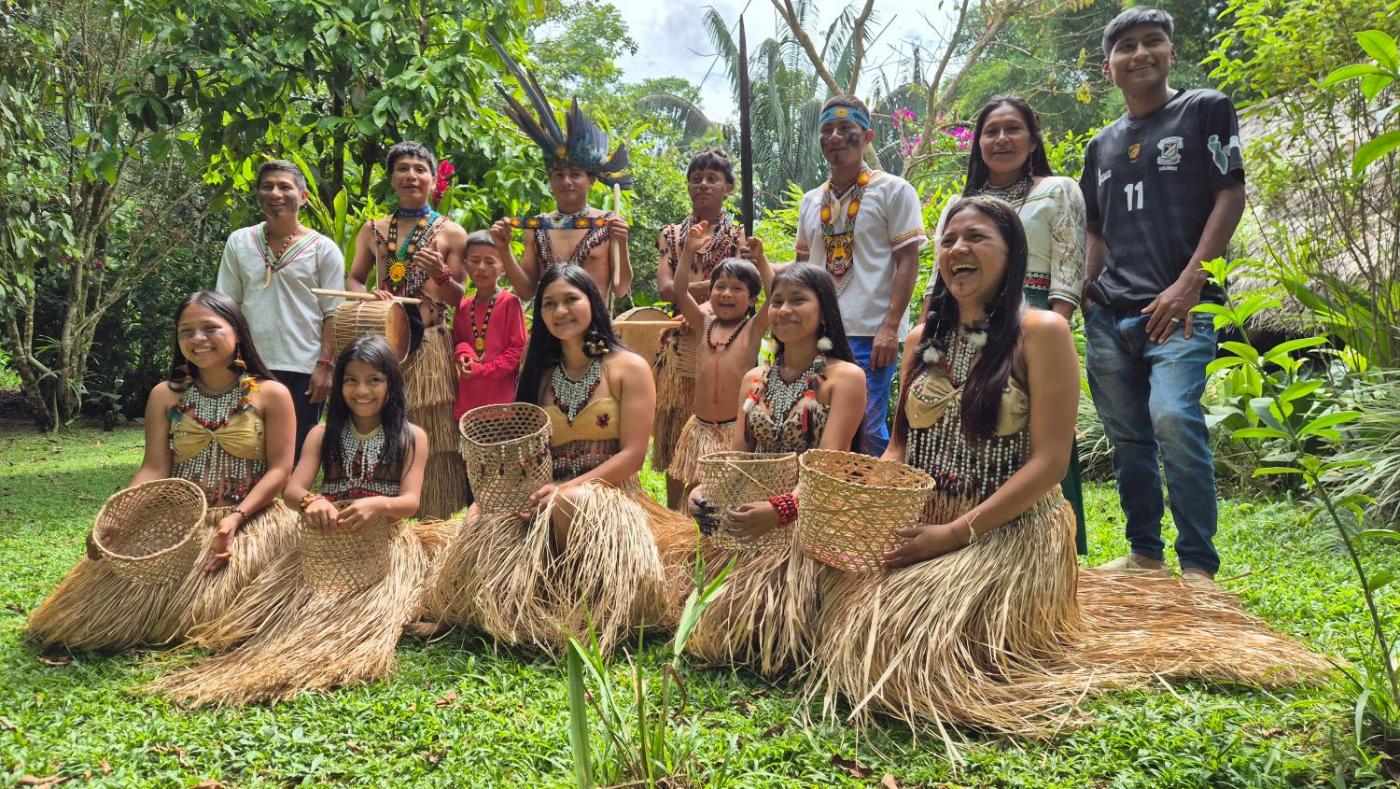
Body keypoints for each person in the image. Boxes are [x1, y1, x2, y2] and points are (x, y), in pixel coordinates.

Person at [806, 197, 1320, 742]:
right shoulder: (921, 341)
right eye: (949, 239)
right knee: (824, 601)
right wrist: (873, 497)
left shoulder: (1041, 332)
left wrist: (954, 534)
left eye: (976, 237)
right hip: (928, 518)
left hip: (1006, 531)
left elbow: (1050, 464)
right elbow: (899, 449)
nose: (958, 249)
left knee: (900, 638)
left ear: (1013, 253)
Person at [146, 336, 454, 707]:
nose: (362, 390)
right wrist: (313, 501)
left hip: (385, 546)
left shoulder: (412, 437)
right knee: (276, 617)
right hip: (322, 546)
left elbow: (410, 502)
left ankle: (365, 628)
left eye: (374, 380)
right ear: (338, 385)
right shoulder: (322, 434)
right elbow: (292, 490)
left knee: (372, 612)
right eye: (351, 380)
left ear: (392, 383)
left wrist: (378, 505)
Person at [432, 266, 694, 656]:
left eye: (571, 299)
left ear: (593, 302)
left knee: (571, 502)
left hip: (608, 495)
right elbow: (527, 454)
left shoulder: (628, 367)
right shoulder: (540, 374)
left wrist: (563, 490)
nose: (560, 311)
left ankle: (584, 605)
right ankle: (509, 606)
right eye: (549, 304)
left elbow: (632, 456)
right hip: (543, 494)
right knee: (477, 518)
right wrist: (505, 498)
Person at [27, 291, 300, 652]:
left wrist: (235, 519)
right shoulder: (166, 395)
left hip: (250, 519)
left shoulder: (271, 394)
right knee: (87, 623)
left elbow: (280, 470)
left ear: (237, 333)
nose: (197, 339)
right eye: (186, 331)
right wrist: (116, 516)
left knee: (224, 618)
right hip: (179, 519)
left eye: (210, 328)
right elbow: (155, 467)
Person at [1080, 7, 1246, 584]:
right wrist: (1088, 291)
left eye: (1153, 42)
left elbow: (1231, 194)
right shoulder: (1100, 144)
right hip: (1110, 315)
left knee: (1173, 418)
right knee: (1127, 437)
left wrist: (1188, 284)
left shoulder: (1204, 109)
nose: (1140, 53)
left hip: (1181, 310)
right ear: (1109, 67)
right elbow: (1095, 228)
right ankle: (1145, 554)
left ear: (1172, 53)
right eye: (1126, 46)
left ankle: (1198, 565)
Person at [924, 95, 1089, 554]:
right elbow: (939, 281)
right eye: (990, 131)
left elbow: (1068, 273)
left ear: (1033, 140)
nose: (1001, 139)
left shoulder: (1058, 190)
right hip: (962, 323)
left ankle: (1043, 549)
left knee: (1035, 438)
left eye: (1013, 129)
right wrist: (928, 342)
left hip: (1028, 324)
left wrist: (1045, 344)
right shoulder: (958, 203)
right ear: (977, 143)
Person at [684, 263, 866, 676]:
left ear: (824, 311)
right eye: (778, 301)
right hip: (752, 514)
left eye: (798, 300)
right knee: (713, 619)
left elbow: (827, 469)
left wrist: (781, 510)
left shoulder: (845, 378)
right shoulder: (755, 378)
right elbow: (738, 457)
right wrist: (705, 491)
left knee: (764, 630)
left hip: (811, 515)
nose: (784, 310)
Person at [795, 95, 926, 456]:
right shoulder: (811, 201)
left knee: (865, 426)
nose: (834, 137)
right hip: (818, 332)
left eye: (845, 128)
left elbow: (908, 261)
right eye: (827, 130)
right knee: (813, 422)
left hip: (871, 333)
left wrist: (890, 326)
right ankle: (817, 490)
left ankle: (875, 491)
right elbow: (802, 269)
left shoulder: (894, 190)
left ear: (867, 137)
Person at [349, 141, 470, 520]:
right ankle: (381, 509)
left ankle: (435, 516)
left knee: (433, 430)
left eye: (420, 169)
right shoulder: (373, 230)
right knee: (383, 427)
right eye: (403, 169)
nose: (411, 176)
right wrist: (368, 296)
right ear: (392, 178)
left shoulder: (452, 234)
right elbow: (355, 279)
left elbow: (460, 299)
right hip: (385, 345)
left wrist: (440, 275)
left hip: (431, 345)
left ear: (433, 180)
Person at [215, 159, 345, 458]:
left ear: (303, 196)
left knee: (294, 455)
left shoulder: (323, 248)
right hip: (250, 366)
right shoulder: (239, 242)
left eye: (285, 187)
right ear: (258, 194)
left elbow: (334, 313)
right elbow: (226, 307)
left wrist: (325, 366)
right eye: (267, 186)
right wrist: (227, 362)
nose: (275, 194)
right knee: (245, 452)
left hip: (305, 369)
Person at [488, 41, 631, 302]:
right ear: (550, 181)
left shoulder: (609, 223)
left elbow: (620, 289)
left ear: (590, 180)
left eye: (575, 174)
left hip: (595, 327)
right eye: (558, 175)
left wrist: (620, 243)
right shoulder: (536, 227)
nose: (566, 181)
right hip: (548, 325)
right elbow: (527, 292)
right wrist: (504, 249)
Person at [652, 149, 746, 507]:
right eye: (696, 179)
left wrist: (703, 297)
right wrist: (709, 290)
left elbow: (741, 285)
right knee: (676, 430)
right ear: (688, 186)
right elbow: (665, 288)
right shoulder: (672, 234)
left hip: (723, 340)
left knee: (719, 426)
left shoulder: (736, 233)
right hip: (679, 343)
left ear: (728, 188)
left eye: (712, 178)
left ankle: (712, 505)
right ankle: (675, 514)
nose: (703, 184)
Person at [664, 223, 773, 501]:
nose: (726, 294)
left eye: (736, 289)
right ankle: (683, 522)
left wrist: (761, 260)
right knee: (690, 492)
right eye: (720, 287)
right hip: (700, 428)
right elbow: (679, 291)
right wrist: (688, 252)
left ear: (752, 300)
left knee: (725, 496)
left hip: (734, 430)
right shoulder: (703, 323)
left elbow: (774, 297)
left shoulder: (752, 329)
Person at [451, 231, 527, 422]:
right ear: (466, 265)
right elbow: (459, 341)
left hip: (502, 404)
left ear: (503, 268)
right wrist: (465, 355)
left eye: (490, 261)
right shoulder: (463, 306)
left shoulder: (510, 303)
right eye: (475, 261)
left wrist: (482, 371)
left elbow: (516, 351)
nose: (481, 267)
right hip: (469, 401)